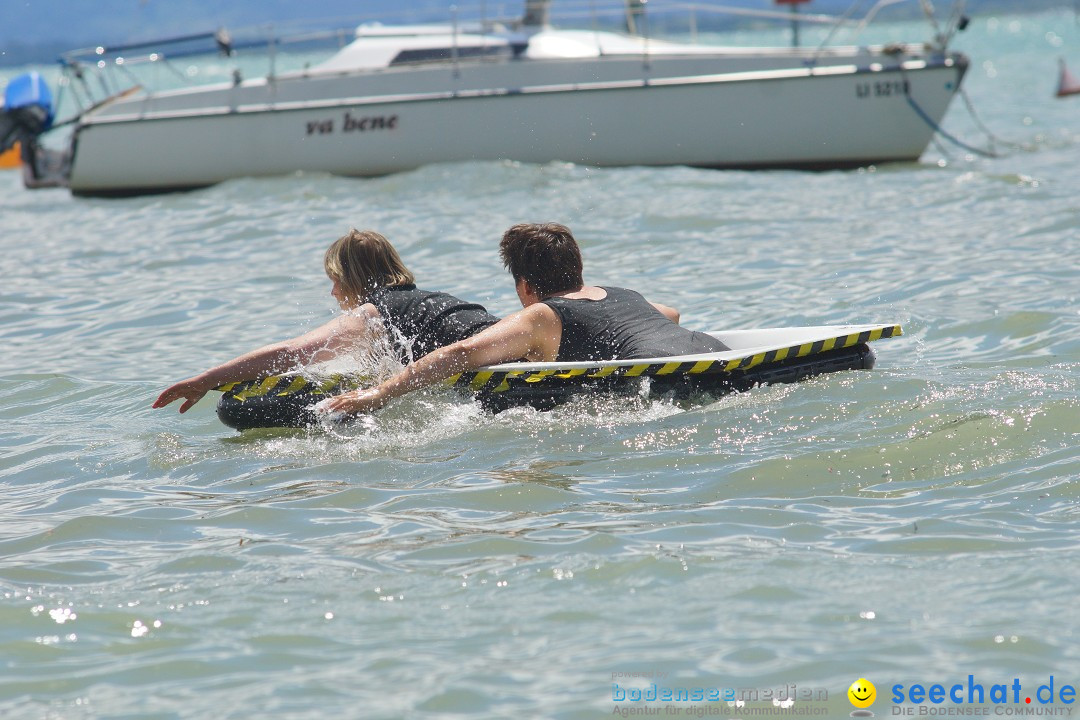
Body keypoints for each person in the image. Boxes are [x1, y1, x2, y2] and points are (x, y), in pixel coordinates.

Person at [319, 222, 726, 415]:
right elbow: (671, 314)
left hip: (672, 381)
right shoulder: (623, 294)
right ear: (577, 269)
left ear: (525, 286)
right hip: (710, 352)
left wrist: (380, 393)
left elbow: (459, 352)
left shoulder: (541, 315)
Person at [152, 229, 499, 413]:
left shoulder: (372, 313)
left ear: (354, 279)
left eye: (335, 280)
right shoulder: (432, 299)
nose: (333, 292)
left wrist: (207, 379)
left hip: (485, 361)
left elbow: (292, 352)